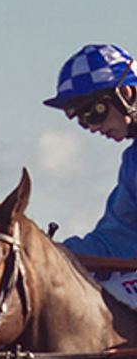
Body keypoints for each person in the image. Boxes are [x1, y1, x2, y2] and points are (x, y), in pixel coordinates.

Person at [43, 42, 137, 257]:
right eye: (82, 120)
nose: (93, 127)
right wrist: (49, 253)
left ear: (126, 92)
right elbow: (114, 239)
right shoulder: (132, 162)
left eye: (95, 112)